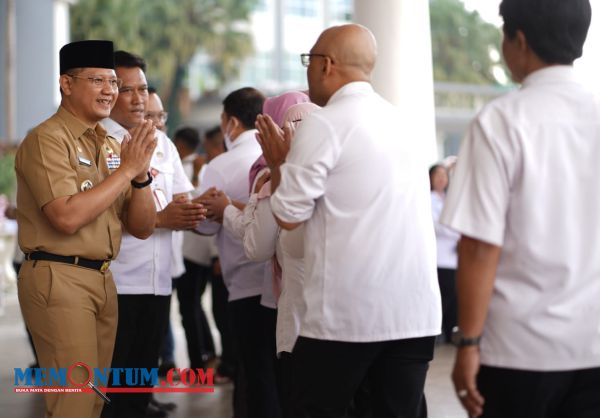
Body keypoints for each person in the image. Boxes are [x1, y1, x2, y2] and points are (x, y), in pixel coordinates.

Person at [256, 24, 441, 417]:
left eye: (309, 61)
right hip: (413, 312)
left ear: (326, 66)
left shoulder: (326, 123)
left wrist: (278, 164)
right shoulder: (405, 123)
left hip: (348, 314)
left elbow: (288, 216)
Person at [440, 1, 600, 417]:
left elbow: (478, 246)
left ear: (520, 40)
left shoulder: (500, 121)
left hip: (518, 350)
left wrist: (468, 342)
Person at [15, 40, 157, 418]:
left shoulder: (113, 143)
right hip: (58, 276)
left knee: (93, 402)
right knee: (73, 402)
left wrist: (140, 177)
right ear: (66, 84)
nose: (111, 91)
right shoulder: (46, 139)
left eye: (114, 83)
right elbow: (65, 217)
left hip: (102, 279)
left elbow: (142, 227)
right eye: (98, 81)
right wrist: (127, 170)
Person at [100, 50, 203, 418]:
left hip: (158, 282)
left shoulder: (163, 144)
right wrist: (160, 219)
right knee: (108, 390)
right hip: (115, 284)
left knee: (139, 391)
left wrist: (201, 209)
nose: (138, 97)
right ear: (107, 92)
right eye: (126, 89)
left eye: (142, 88)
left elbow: (182, 200)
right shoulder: (96, 143)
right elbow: (96, 213)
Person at [194, 87, 282, 418]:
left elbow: (204, 225)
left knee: (255, 375)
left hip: (244, 285)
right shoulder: (283, 158)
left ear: (230, 122)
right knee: (281, 374)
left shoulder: (220, 166)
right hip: (284, 289)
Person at [173, 126, 217, 371]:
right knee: (195, 306)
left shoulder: (184, 168)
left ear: (179, 143)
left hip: (189, 250)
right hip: (202, 250)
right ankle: (206, 355)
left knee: (189, 308)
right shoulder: (202, 168)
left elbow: (186, 202)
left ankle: (198, 363)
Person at [429, 164, 460, 343]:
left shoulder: (450, 198)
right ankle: (439, 332)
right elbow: (439, 225)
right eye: (437, 175)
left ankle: (450, 333)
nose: (441, 179)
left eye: (444, 175)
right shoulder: (429, 199)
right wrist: (457, 233)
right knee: (444, 294)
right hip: (440, 255)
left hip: (454, 256)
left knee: (454, 296)